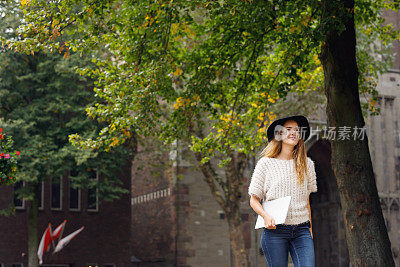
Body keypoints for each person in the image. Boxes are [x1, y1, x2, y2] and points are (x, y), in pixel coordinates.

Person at [248, 115, 318, 267]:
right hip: (275, 232)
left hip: (302, 231)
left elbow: (306, 201)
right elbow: (253, 200)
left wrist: (310, 230)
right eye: (288, 129)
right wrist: (265, 216)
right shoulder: (265, 164)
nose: (293, 132)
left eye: (297, 130)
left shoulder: (307, 165)